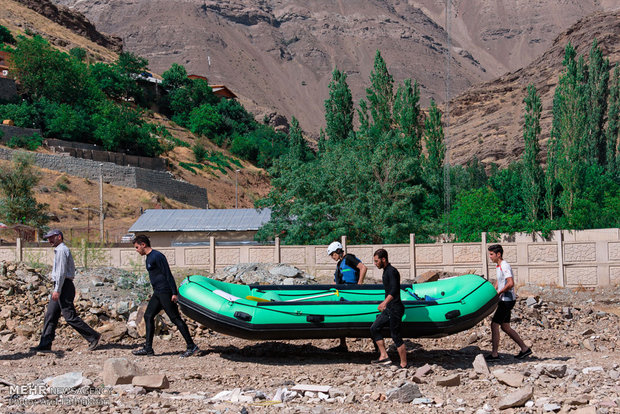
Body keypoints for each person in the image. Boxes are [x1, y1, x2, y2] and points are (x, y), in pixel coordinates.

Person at [30, 230, 101, 352]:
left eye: (52, 238)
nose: (49, 240)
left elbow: (61, 273)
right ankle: (45, 343)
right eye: (48, 238)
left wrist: (57, 289)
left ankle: (93, 336)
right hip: (61, 285)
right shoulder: (59, 250)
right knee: (51, 314)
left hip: (64, 286)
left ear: (59, 237)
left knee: (69, 316)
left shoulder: (62, 250)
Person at [131, 235, 199, 358]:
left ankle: (192, 346)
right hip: (158, 292)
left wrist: (174, 292)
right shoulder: (148, 258)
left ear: (143, 245)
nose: (136, 250)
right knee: (148, 316)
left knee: (175, 319)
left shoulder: (157, 256)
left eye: (137, 247)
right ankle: (148, 348)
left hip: (165, 292)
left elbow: (168, 274)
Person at [485, 244, 532, 360]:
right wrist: (492, 289)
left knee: (494, 324)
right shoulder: (499, 266)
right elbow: (499, 280)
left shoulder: (504, 266)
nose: (490, 257)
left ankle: (494, 354)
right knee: (505, 327)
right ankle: (525, 349)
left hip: (507, 300)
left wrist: (499, 292)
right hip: (505, 299)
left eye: (491, 254)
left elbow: (510, 283)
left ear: (498, 254)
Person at [327, 241, 368, 352]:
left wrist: (359, 285)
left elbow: (363, 268)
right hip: (343, 294)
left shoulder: (349, 259)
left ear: (338, 251)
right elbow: (337, 281)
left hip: (352, 293)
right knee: (340, 317)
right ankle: (343, 345)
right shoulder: (339, 264)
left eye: (333, 254)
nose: (332, 257)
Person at [369, 248, 407, 368]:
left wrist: (384, 302)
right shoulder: (385, 271)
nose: (375, 264)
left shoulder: (392, 271)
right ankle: (384, 356)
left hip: (395, 309)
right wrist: (385, 304)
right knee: (374, 328)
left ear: (383, 259)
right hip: (389, 309)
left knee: (395, 335)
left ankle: (404, 364)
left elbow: (395, 290)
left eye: (376, 261)